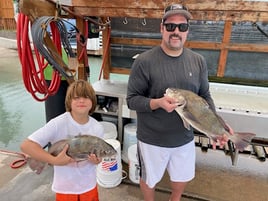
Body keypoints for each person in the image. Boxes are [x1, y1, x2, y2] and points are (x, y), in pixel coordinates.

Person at [126, 4, 229, 201]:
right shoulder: (144, 61)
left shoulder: (198, 61)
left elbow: (205, 96)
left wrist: (217, 124)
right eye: (170, 26)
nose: (176, 31)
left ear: (187, 31)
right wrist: (157, 103)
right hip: (151, 140)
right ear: (161, 28)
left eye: (182, 27)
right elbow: (132, 100)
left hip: (184, 138)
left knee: (181, 177)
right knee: (148, 179)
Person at [21, 79, 104, 201]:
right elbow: (26, 145)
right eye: (76, 98)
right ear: (69, 102)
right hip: (65, 188)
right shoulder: (58, 123)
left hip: (89, 186)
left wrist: (97, 160)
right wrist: (54, 160)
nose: (81, 100)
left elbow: (99, 158)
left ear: (93, 101)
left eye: (86, 97)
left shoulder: (98, 127)